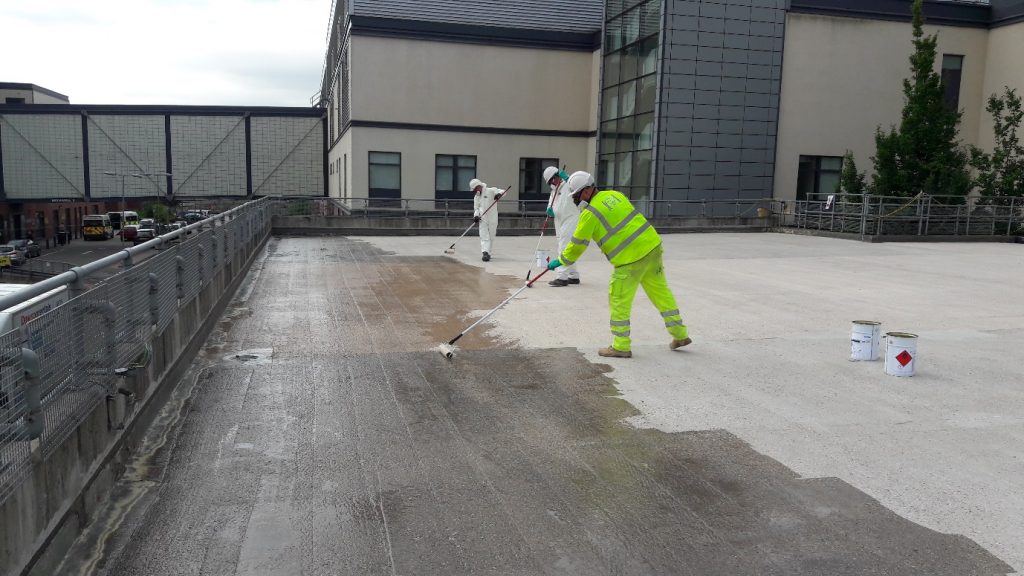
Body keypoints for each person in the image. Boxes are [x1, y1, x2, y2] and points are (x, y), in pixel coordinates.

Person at [547, 171, 691, 358]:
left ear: (586, 191)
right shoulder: (614, 195)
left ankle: (621, 346)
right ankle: (680, 335)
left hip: (629, 260)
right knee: (661, 293)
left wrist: (562, 261)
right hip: (652, 247)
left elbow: (577, 245)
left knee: (619, 300)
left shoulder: (589, 214)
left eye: (575, 196)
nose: (574, 200)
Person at [543, 166, 581, 287]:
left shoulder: (568, 185)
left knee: (563, 247)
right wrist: (549, 209)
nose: (553, 183)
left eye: (553, 179)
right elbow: (551, 203)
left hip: (571, 219)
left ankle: (561, 277)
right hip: (559, 222)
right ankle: (573, 275)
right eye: (550, 182)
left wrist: (569, 178)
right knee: (569, 248)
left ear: (558, 176)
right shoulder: (554, 191)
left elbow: (578, 189)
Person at [470, 178, 504, 262]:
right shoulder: (477, 197)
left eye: (474, 189)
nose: (474, 191)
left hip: (493, 217)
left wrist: (499, 194)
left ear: (478, 186)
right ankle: (485, 253)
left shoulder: (490, 191)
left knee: (491, 236)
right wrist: (476, 216)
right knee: (484, 236)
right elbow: (476, 208)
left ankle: (488, 252)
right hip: (483, 218)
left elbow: (503, 191)